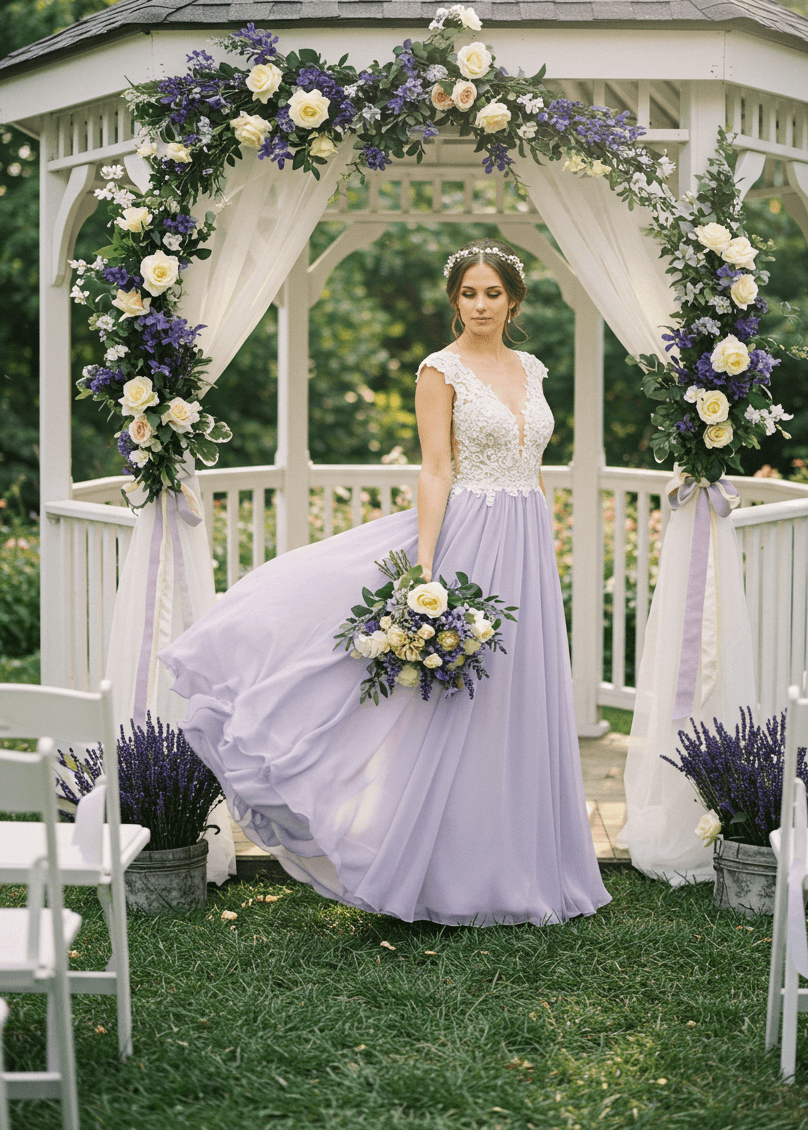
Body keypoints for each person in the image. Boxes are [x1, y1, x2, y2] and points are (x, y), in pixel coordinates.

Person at [159, 240, 610, 926]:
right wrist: (427, 569)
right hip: (470, 538)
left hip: (526, 543)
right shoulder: (442, 369)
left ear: (513, 301)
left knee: (518, 698)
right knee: (454, 704)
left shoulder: (532, 367)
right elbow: (436, 468)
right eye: (469, 294)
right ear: (454, 300)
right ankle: (444, 872)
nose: (481, 305)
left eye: (493, 294)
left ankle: (527, 865)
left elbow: (533, 461)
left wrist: (546, 540)